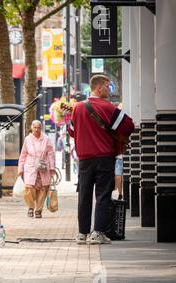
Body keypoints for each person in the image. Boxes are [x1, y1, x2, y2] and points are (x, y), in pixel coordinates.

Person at [68, 74, 134, 245]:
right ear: (98, 87)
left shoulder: (78, 108)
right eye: (107, 86)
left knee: (84, 196)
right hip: (104, 157)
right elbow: (129, 126)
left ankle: (82, 234)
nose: (109, 89)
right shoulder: (108, 107)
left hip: (84, 159)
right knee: (103, 195)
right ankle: (98, 233)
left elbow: (71, 130)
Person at [18, 120, 56, 219]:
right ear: (31, 128)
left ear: (41, 128)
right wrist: (20, 168)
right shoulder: (28, 139)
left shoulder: (46, 139)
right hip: (30, 167)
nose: (36, 129)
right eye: (34, 127)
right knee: (29, 188)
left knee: (43, 189)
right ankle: (31, 207)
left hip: (43, 168)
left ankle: (38, 210)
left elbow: (51, 154)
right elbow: (23, 155)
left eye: (38, 127)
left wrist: (52, 168)